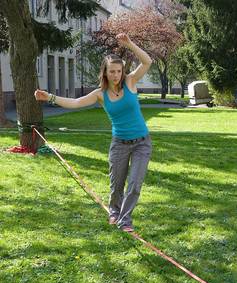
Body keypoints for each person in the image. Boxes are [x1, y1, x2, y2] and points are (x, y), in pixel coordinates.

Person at [34, 33, 152, 232]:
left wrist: (130, 44)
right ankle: (114, 212)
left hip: (142, 143)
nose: (116, 75)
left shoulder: (131, 82)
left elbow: (147, 61)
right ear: (105, 73)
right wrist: (50, 97)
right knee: (116, 185)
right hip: (119, 143)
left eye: (119, 71)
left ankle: (125, 221)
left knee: (134, 184)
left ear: (123, 71)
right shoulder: (100, 94)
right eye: (112, 72)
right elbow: (76, 103)